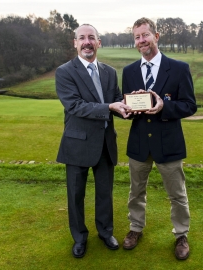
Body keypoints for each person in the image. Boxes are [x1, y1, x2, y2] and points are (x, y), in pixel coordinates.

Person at [122, 17, 197, 260]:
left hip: (169, 144)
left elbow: (189, 106)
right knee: (135, 193)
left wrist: (165, 106)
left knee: (177, 195)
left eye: (145, 35)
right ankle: (135, 229)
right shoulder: (129, 71)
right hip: (140, 143)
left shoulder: (179, 68)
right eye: (137, 37)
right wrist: (127, 110)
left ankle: (181, 235)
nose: (141, 40)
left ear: (157, 36)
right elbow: (129, 111)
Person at [55, 24, 131, 258]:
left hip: (105, 143)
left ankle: (106, 232)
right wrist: (110, 107)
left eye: (91, 38)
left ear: (99, 42)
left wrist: (130, 107)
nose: (87, 42)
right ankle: (79, 238)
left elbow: (117, 100)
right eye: (82, 38)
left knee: (104, 194)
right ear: (75, 43)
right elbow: (75, 105)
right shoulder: (65, 72)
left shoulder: (109, 71)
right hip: (77, 143)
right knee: (76, 195)